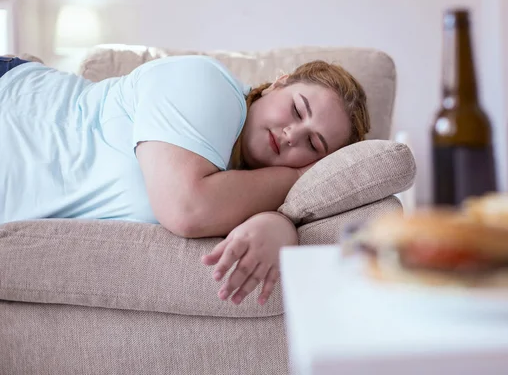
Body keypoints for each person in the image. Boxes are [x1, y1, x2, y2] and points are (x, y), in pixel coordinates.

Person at [0, 53, 370, 305]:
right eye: (296, 109)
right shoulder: (209, 85)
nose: (292, 135)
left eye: (312, 143)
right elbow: (187, 208)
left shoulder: (244, 183)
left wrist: (280, 224)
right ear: (278, 83)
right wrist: (303, 172)